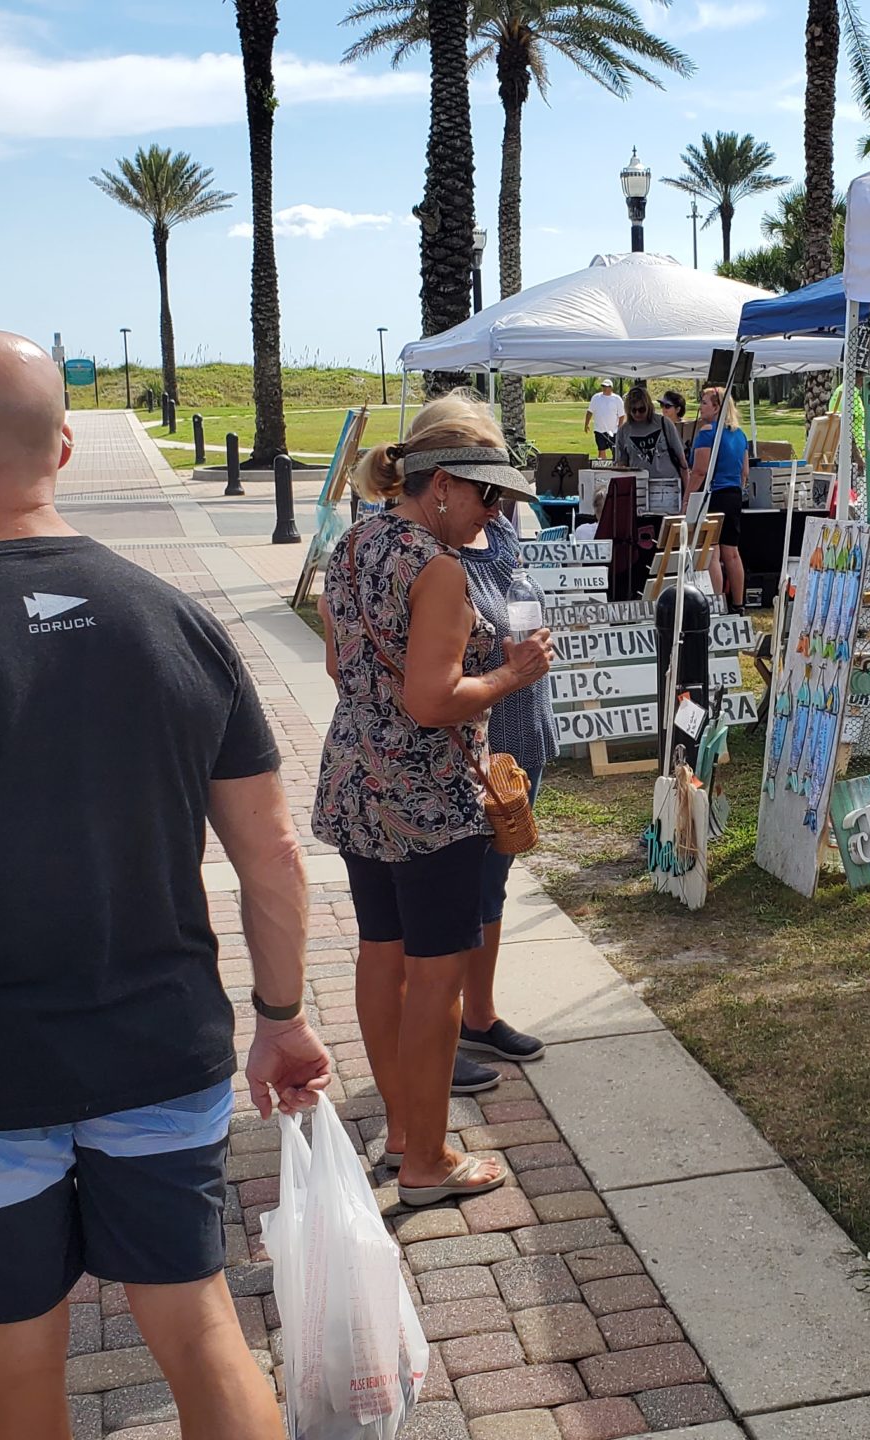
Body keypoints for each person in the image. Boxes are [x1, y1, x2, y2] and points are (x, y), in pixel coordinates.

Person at [0, 331, 328, 1439]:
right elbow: (270, 854)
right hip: (158, 1049)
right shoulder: (178, 622)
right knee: (201, 1333)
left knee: (19, 1375)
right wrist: (281, 1016)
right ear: (65, 444)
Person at [314, 393, 552, 1206]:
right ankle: (424, 1158)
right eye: (488, 496)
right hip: (428, 796)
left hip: (356, 781)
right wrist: (509, 676)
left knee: (382, 955)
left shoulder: (355, 543)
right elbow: (434, 700)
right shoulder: (438, 567)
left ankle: (404, 1130)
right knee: (437, 977)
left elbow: (341, 666)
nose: (494, 514)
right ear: (442, 483)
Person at [452, 503, 554, 1074]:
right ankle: (451, 1026)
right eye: (487, 485)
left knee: (492, 881)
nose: (497, 500)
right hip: (475, 739)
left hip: (520, 729)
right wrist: (507, 664)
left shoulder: (501, 532)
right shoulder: (426, 551)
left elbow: (518, 610)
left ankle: (478, 1016)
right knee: (460, 888)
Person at [687, 386, 750, 608]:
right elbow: (745, 472)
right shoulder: (740, 434)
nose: (700, 407)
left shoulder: (707, 432)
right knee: (732, 552)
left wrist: (687, 499)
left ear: (716, 407)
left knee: (712, 551)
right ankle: (739, 603)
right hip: (733, 494)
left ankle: (717, 603)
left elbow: (699, 471)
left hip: (714, 494)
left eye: (704, 402)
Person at [614, 386, 688, 487]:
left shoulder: (664, 423)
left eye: (641, 409)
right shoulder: (623, 431)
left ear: (648, 406)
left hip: (668, 485)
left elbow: (682, 461)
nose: (637, 413)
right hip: (639, 487)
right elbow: (621, 464)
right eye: (633, 410)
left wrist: (687, 494)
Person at [584, 379, 626, 460]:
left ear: (611, 388)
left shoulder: (617, 399)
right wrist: (586, 424)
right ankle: (602, 467)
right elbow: (590, 411)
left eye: (607, 386)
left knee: (616, 451)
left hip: (613, 431)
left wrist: (619, 427)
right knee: (601, 450)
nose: (605, 388)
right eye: (603, 386)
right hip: (599, 430)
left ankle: (616, 467)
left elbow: (621, 415)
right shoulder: (596, 398)